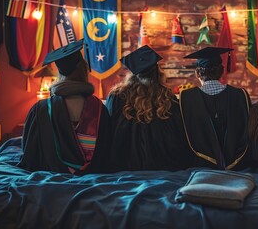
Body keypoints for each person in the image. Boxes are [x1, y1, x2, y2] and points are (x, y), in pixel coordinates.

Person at [18, 39, 112, 175]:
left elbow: (30, 155)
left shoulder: (41, 109)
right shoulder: (99, 108)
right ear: (84, 71)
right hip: (93, 175)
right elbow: (107, 152)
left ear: (60, 74)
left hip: (50, 177)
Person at [106, 45, 194, 171]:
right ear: (157, 72)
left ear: (132, 73)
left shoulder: (117, 96)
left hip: (124, 164)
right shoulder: (167, 97)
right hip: (164, 165)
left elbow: (109, 131)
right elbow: (178, 134)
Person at [179, 47, 251, 170]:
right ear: (222, 71)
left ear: (197, 73)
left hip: (200, 168)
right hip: (239, 168)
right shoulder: (240, 95)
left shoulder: (186, 98)